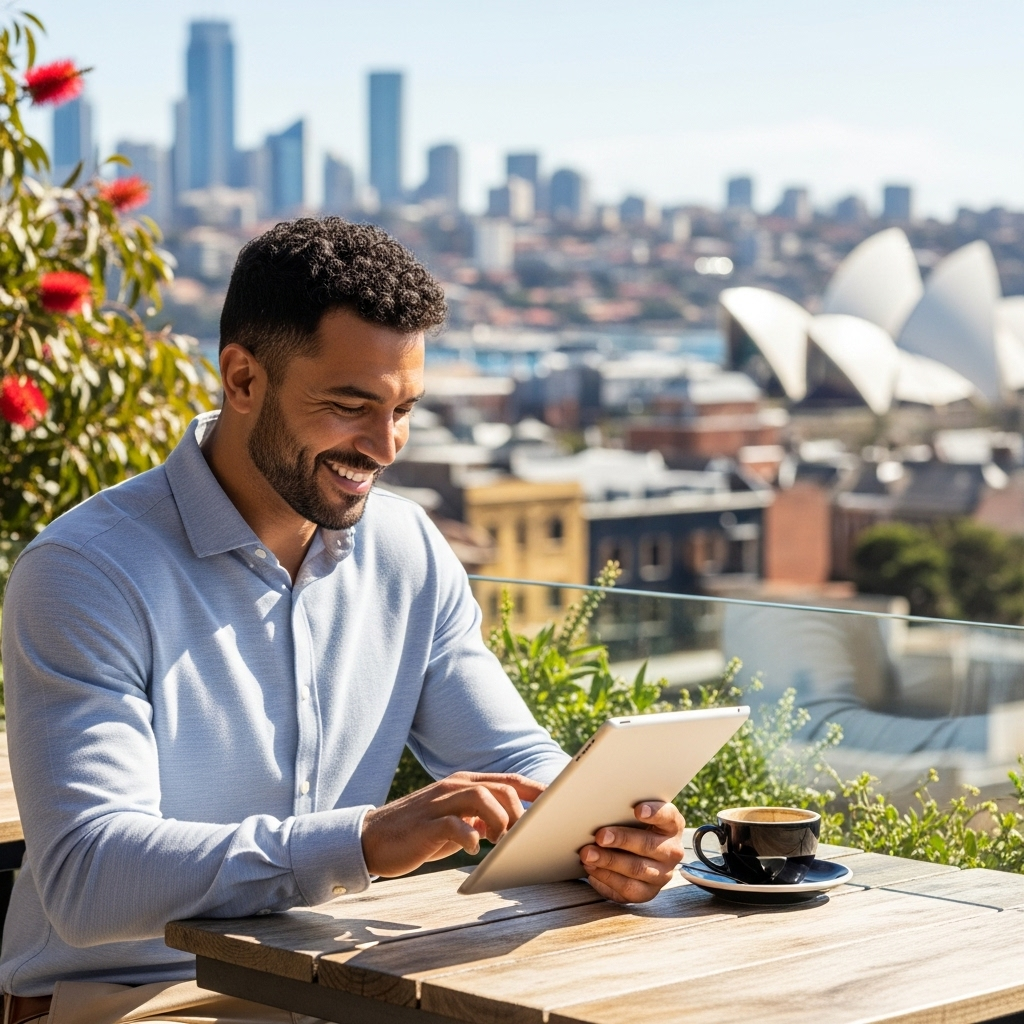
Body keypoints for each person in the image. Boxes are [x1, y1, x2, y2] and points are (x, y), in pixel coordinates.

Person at [0, 219, 685, 1024]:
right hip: (131, 998)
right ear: (243, 380)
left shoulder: (404, 548)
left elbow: (517, 766)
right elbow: (90, 877)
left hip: (329, 985)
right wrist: (361, 842)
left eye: (404, 410)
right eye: (351, 406)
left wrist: (607, 838)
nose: (386, 446)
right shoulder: (87, 571)